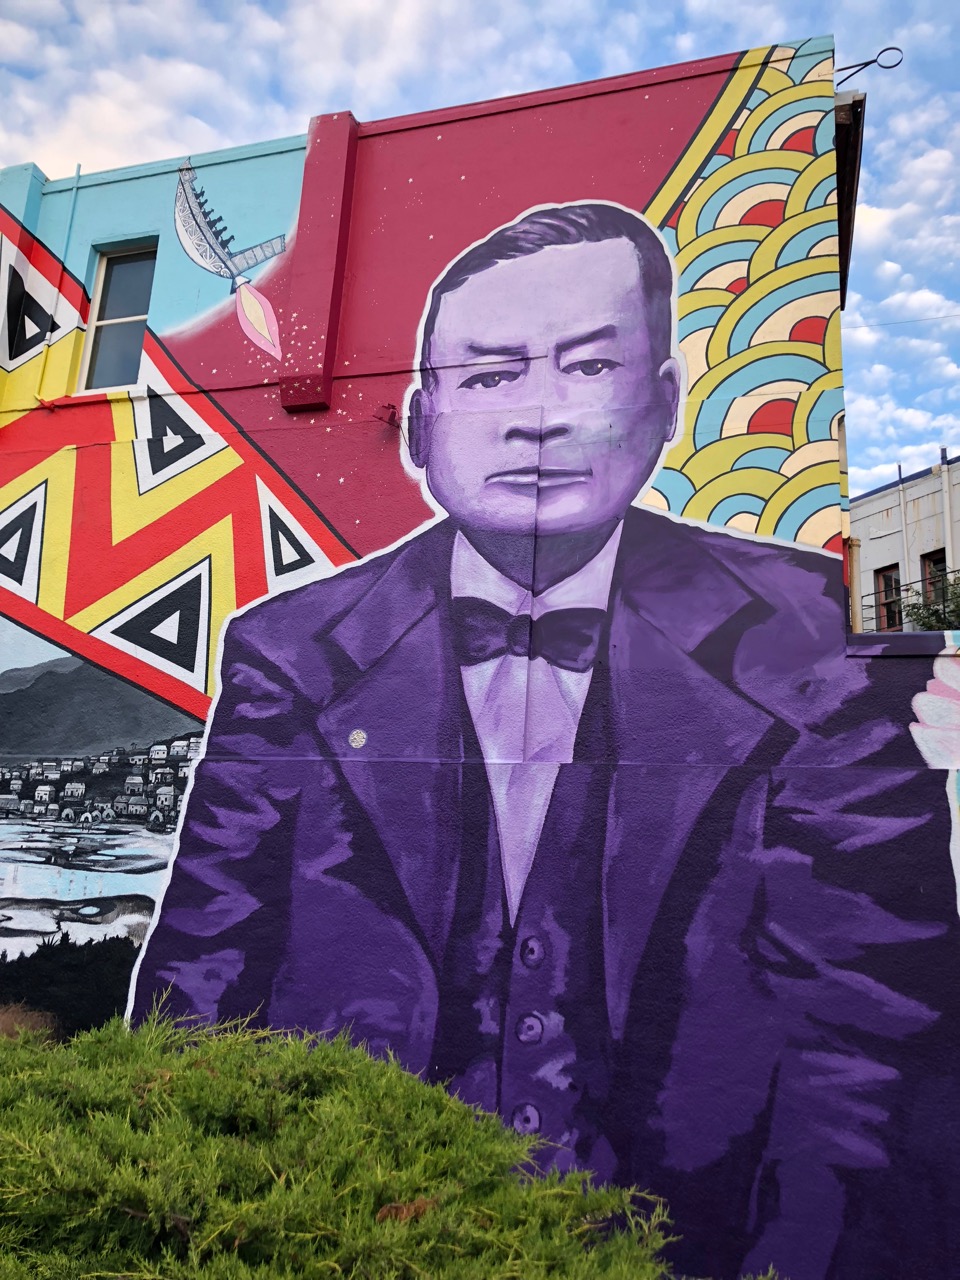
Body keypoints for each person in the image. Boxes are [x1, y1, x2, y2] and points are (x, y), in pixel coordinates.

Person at [130, 203, 957, 1280]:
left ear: (665, 402)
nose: (540, 418)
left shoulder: (812, 633)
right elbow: (199, 992)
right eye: (489, 376)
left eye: (589, 366)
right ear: (420, 426)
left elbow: (872, 1052)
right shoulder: (286, 650)